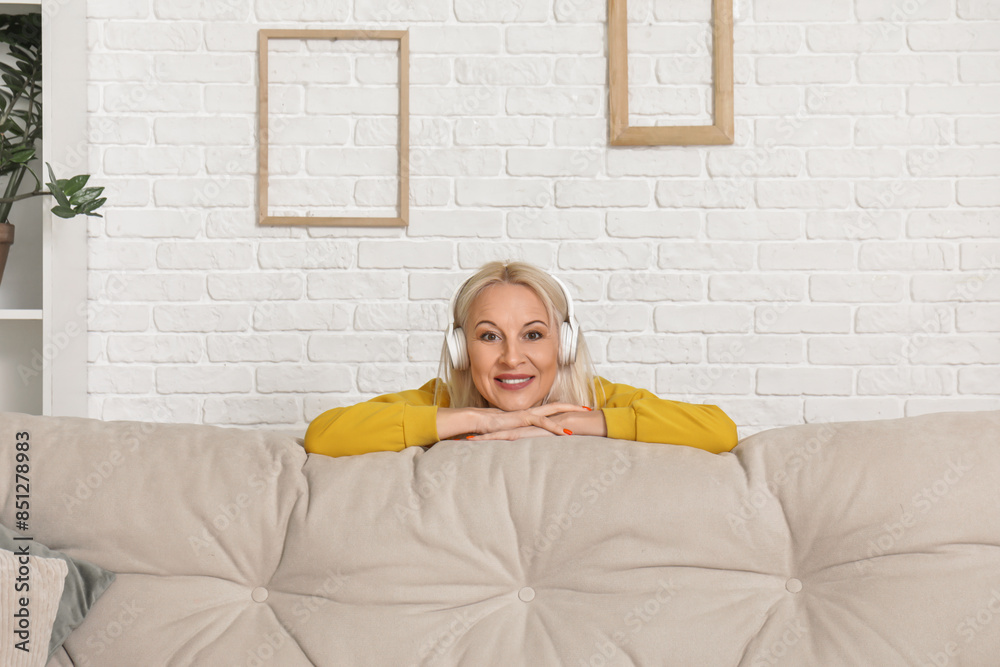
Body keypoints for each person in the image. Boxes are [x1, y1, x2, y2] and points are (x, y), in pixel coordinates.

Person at [304, 261, 738, 457]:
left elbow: (718, 430)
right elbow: (324, 436)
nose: (513, 358)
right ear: (461, 349)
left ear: (563, 345)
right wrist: (482, 421)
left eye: (533, 334)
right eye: (489, 336)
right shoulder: (438, 403)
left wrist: (572, 425)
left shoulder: (596, 398)